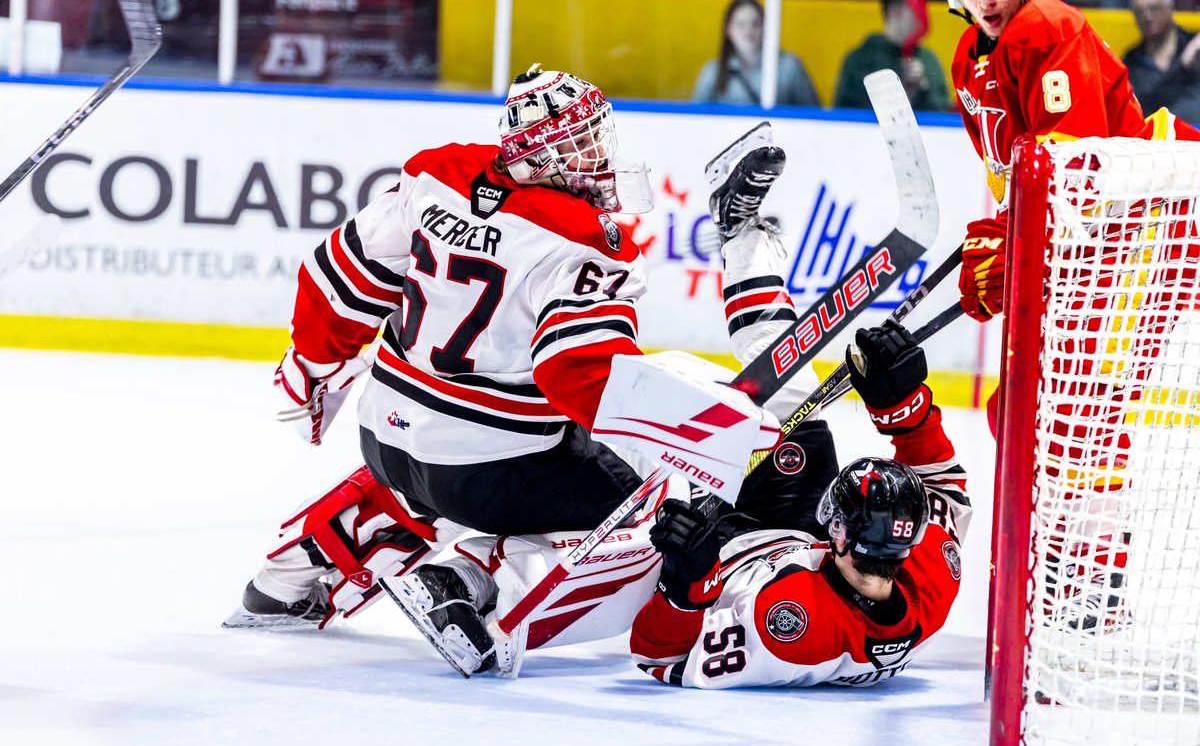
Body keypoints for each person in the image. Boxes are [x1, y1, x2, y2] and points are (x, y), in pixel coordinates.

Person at [222, 67, 796, 676]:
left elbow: (336, 277)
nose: (599, 158)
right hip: (490, 469)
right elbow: (578, 375)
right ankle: (470, 580)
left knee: (425, 471)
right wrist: (705, 426)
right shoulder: (583, 241)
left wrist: (313, 368)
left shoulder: (438, 176)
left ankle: (287, 578)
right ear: (541, 157)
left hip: (383, 437)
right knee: (661, 518)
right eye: (583, 145)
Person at [948, 0, 1200, 631]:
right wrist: (996, 236)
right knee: (1023, 406)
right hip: (1104, 235)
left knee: (1081, 404)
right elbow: (1021, 179)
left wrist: (1013, 248)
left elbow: (1080, 171)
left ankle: (1093, 587)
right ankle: (1063, 566)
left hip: (1153, 217)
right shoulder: (967, 64)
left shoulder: (1046, 26)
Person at [630, 317, 972, 688]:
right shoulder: (931, 575)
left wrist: (686, 585)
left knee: (653, 451)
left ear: (838, 534)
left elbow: (660, 657)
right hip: (791, 532)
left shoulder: (789, 631)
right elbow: (942, 488)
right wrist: (904, 410)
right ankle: (752, 257)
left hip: (716, 558)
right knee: (794, 387)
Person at [693, 0, 820, 107]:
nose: (748, 31)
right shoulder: (712, 71)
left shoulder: (790, 66)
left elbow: (813, 113)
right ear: (728, 29)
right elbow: (697, 118)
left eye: (755, 23)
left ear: (766, 26)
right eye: (740, 24)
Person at [834, 0, 952, 111]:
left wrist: (922, 89)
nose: (921, 18)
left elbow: (943, 113)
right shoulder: (861, 59)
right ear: (895, 11)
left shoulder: (928, 60)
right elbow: (844, 111)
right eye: (916, 10)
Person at [1124, 0, 1200, 127]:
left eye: (1154, 8)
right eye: (1139, 11)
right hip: (1158, 140)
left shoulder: (1195, 46)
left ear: (1169, 8)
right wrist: (1182, 66)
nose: (1147, 16)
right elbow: (1145, 108)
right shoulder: (1132, 61)